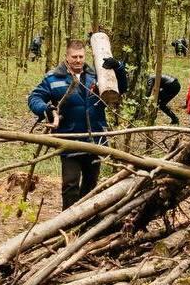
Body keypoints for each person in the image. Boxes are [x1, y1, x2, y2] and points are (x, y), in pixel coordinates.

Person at [28, 40, 127, 210]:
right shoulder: (53, 78)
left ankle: (85, 220)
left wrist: (118, 68)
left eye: (81, 56)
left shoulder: (98, 76)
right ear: (66, 57)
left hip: (96, 140)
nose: (78, 60)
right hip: (69, 140)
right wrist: (46, 109)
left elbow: (121, 88)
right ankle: (68, 222)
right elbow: (34, 98)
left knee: (90, 185)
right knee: (70, 184)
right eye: (74, 57)